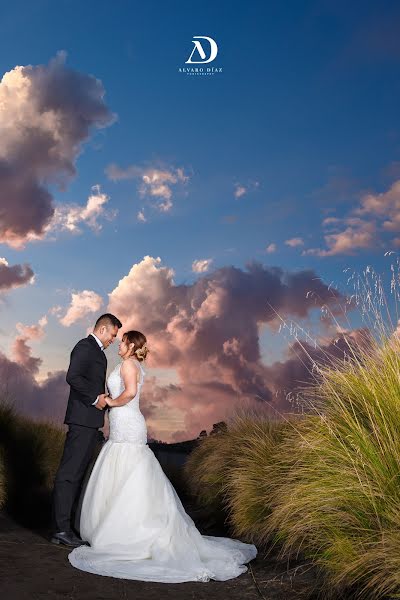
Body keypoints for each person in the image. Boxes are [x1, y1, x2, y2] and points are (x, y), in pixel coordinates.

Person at [68, 330, 257, 582]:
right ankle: (119, 527)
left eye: (122, 342)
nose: (119, 345)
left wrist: (110, 403)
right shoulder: (130, 363)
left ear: (132, 345)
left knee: (128, 470)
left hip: (127, 423)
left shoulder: (128, 364)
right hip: (124, 424)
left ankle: (128, 533)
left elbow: (131, 392)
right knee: (124, 471)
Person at [51, 313, 122, 547]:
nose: (114, 339)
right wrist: (95, 398)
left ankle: (67, 527)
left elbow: (90, 382)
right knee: (69, 474)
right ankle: (61, 529)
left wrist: (104, 399)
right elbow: (73, 376)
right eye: (113, 334)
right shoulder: (85, 346)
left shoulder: (97, 352)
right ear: (103, 329)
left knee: (78, 475)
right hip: (81, 420)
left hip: (91, 422)